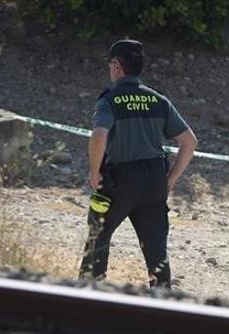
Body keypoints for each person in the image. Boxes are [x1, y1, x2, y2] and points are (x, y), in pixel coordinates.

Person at [79, 39, 198, 289]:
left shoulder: (109, 100)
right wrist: (172, 179)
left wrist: (93, 170)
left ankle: (89, 299)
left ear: (117, 66)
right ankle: (162, 303)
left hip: (120, 181)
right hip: (155, 180)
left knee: (97, 239)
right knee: (156, 252)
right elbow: (189, 141)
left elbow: (99, 134)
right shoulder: (157, 100)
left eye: (111, 64)